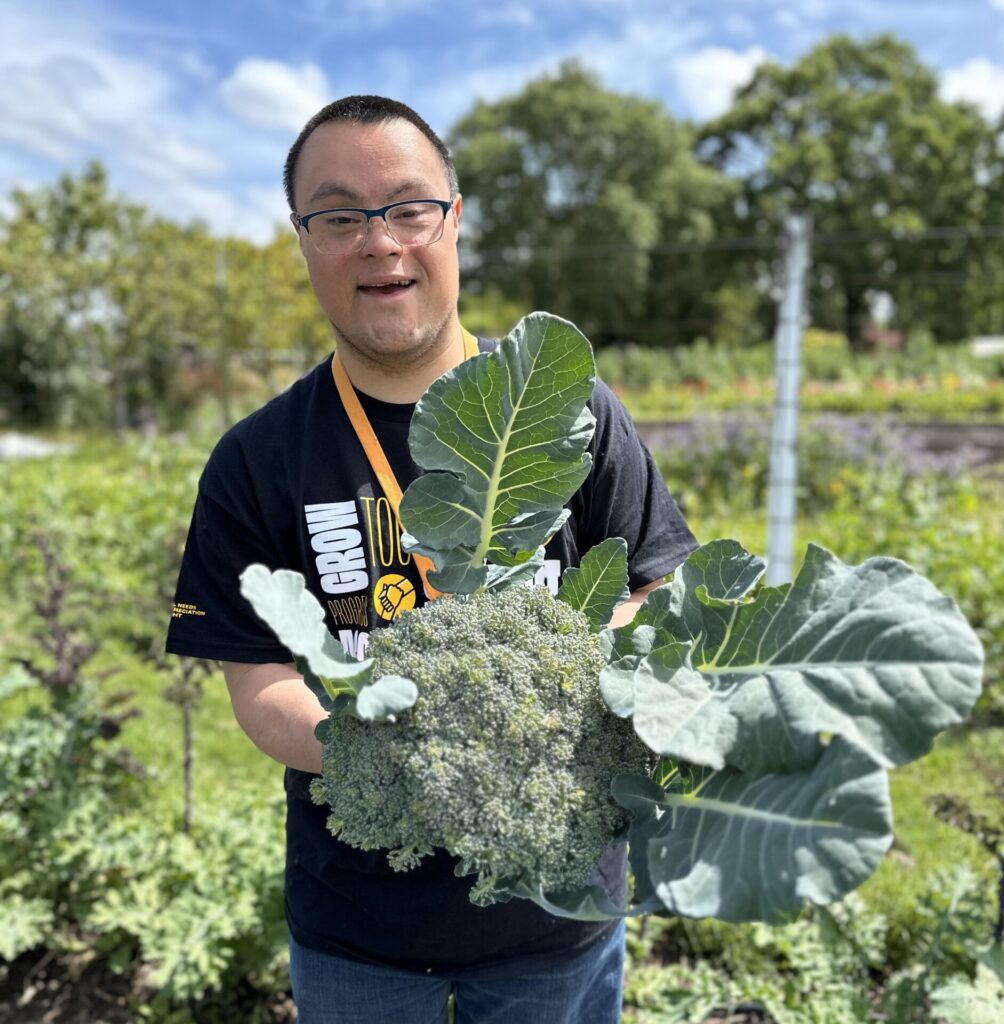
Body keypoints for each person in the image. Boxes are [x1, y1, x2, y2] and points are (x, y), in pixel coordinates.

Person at [166, 94, 698, 1024]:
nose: (381, 242)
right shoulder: (257, 458)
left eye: (410, 208)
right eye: (339, 216)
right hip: (358, 934)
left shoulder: (566, 406)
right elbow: (258, 684)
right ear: (304, 240)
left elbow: (653, 588)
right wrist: (398, 747)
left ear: (454, 219)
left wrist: (560, 692)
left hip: (559, 917)